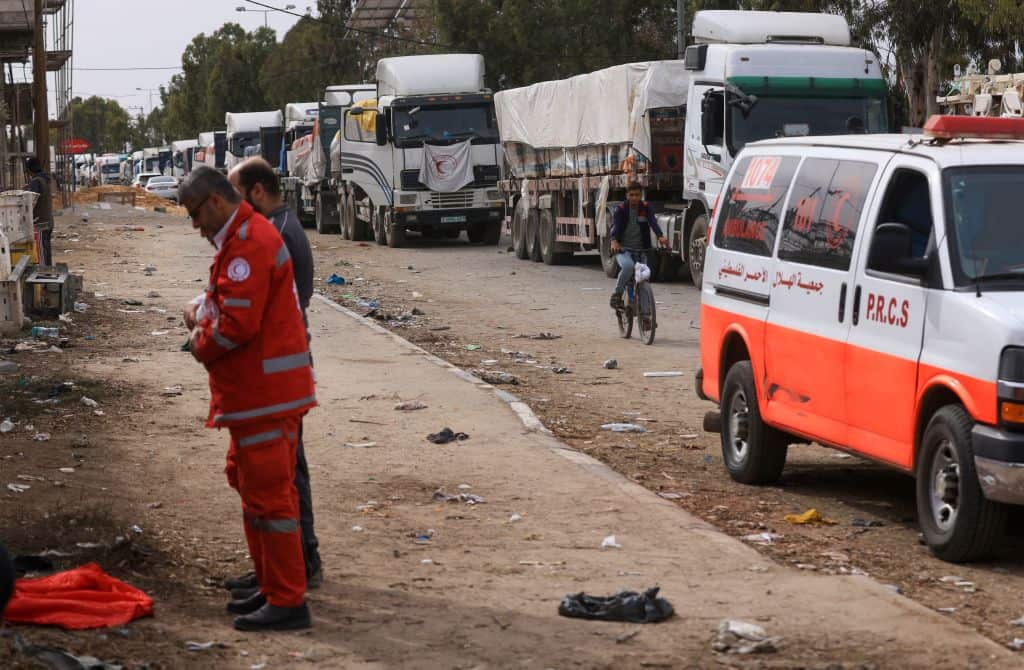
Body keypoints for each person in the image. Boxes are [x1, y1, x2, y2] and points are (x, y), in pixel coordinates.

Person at [180, 166, 316, 632]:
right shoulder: (240, 241)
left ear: (216, 202)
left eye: (195, 215)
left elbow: (236, 325)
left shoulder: (248, 244)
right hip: (256, 395)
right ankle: (270, 583)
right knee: (254, 489)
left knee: (272, 499)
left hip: (266, 396)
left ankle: (287, 600)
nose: (196, 227)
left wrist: (199, 339)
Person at [225, 157, 322, 594]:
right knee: (285, 471)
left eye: (235, 196)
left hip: (280, 372)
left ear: (257, 192)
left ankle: (299, 564)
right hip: (282, 367)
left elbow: (255, 308)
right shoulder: (279, 227)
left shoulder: (274, 234)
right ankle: (283, 566)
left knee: (283, 476)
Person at [609, 182, 668, 308]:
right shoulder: (620, 210)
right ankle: (617, 294)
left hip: (642, 250)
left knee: (643, 279)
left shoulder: (646, 208)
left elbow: (653, 223)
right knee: (628, 267)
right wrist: (614, 241)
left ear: (641, 195)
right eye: (632, 195)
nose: (634, 198)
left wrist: (660, 236)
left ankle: (646, 316)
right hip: (623, 250)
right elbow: (615, 227)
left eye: (637, 195)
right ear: (627, 195)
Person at [24, 157, 54, 266]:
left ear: (30, 169)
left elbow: (31, 202)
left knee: (41, 252)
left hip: (40, 222)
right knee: (46, 250)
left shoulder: (36, 181)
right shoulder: (45, 179)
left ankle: (44, 275)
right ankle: (49, 272)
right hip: (49, 220)